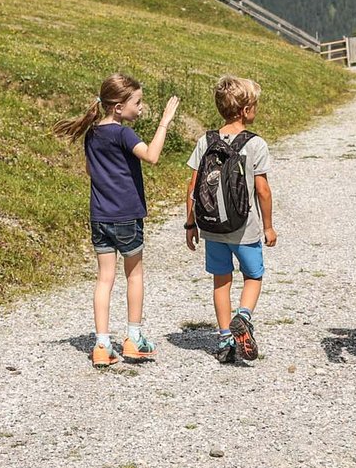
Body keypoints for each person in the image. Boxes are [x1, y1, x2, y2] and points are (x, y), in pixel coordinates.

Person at [54, 74, 179, 368]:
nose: (141, 107)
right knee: (134, 275)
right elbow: (152, 156)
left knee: (104, 279)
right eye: (137, 102)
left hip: (100, 216)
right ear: (119, 108)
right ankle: (133, 339)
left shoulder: (92, 134)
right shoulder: (123, 134)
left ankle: (101, 344)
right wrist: (164, 123)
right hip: (126, 216)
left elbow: (90, 170)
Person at [185, 76, 277, 364]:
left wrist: (191, 224)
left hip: (212, 226)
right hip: (244, 228)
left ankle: (225, 339)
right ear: (246, 110)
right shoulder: (256, 144)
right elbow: (262, 189)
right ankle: (244, 316)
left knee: (221, 281)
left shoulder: (205, 140)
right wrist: (268, 226)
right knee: (253, 276)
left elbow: (193, 187)